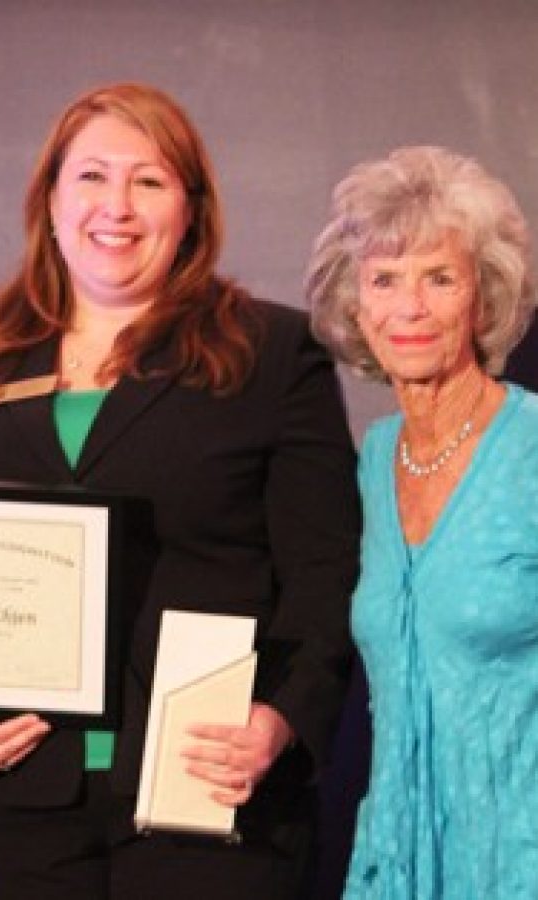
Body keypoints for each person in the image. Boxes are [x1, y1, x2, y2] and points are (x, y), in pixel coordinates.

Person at [0, 82, 360, 900]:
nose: (116, 207)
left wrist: (282, 720)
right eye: (90, 177)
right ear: (50, 201)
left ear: (190, 209)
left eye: (149, 181)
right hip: (26, 796)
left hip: (208, 787)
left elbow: (325, 571)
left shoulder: (269, 352)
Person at [307, 145, 538, 899]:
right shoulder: (376, 461)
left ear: (483, 296)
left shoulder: (531, 447)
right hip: (396, 857)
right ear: (355, 305)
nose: (409, 308)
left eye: (439, 278)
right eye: (384, 280)